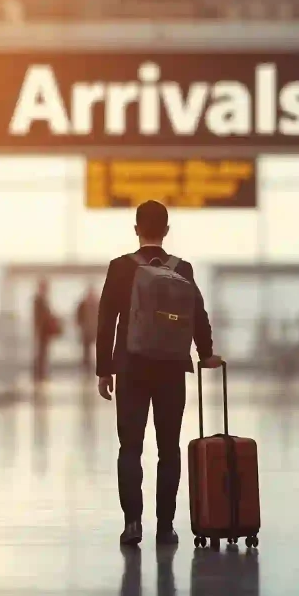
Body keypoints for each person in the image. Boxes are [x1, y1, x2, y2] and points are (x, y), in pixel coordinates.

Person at [96, 200, 221, 547]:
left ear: (136, 229)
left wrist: (104, 369)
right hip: (170, 369)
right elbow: (197, 314)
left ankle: (132, 523)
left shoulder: (119, 268)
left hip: (131, 368)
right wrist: (206, 353)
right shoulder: (183, 268)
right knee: (169, 448)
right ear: (166, 231)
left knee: (130, 447)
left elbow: (106, 321)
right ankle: (165, 527)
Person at [33, 278, 59, 382]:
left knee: (43, 353)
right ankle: (39, 374)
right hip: (41, 331)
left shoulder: (43, 300)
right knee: (41, 353)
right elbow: (39, 317)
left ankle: (42, 373)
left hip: (44, 332)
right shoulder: (38, 300)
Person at [75, 285, 99, 371]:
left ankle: (92, 366)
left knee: (95, 349)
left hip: (94, 330)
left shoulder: (97, 303)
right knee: (86, 351)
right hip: (86, 330)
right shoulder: (83, 304)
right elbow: (78, 316)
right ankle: (86, 366)